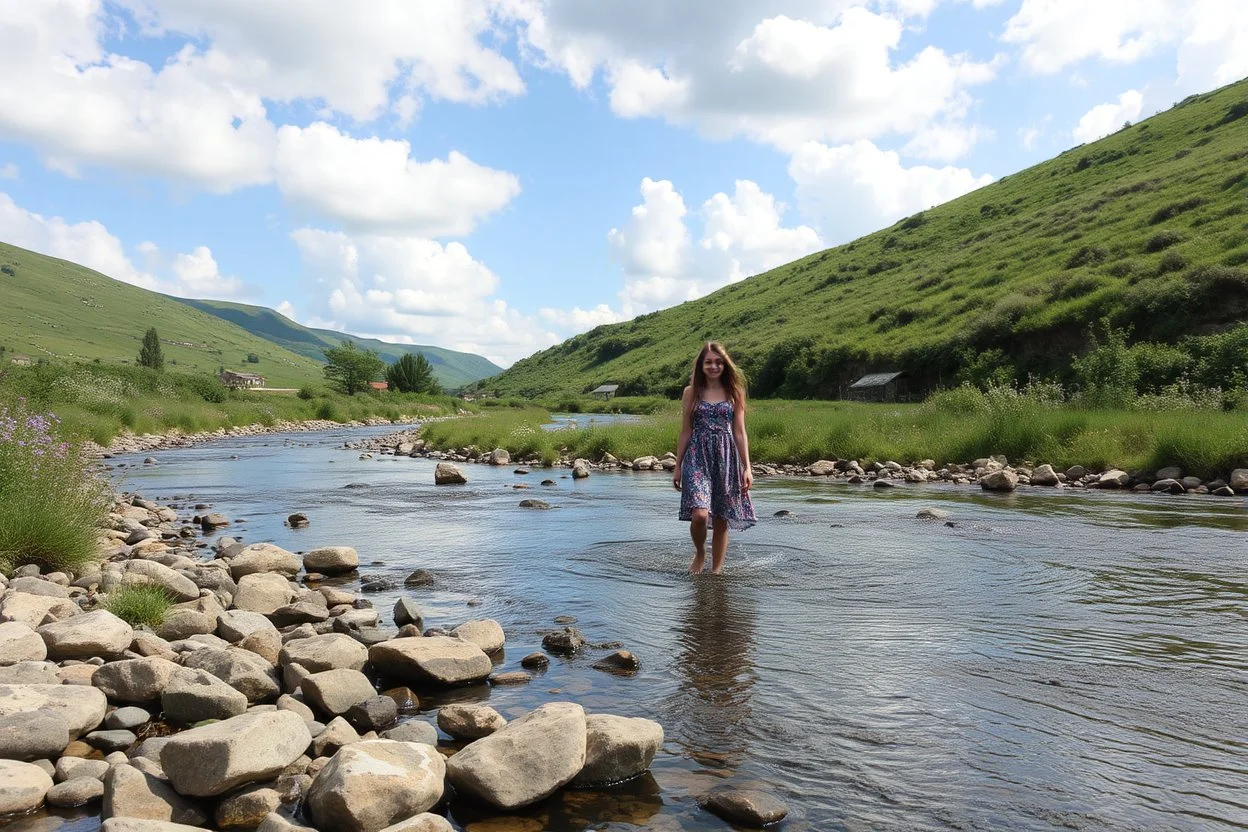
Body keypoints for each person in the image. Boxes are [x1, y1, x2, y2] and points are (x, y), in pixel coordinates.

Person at [673, 341, 756, 574]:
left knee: (721, 516)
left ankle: (717, 570)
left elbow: (740, 432)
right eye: (708, 362)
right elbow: (685, 431)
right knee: (699, 514)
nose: (714, 366)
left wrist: (747, 467)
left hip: (726, 456)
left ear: (725, 364)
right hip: (697, 456)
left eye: (718, 362)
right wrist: (678, 466)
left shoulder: (735, 392)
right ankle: (700, 553)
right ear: (701, 365)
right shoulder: (691, 393)